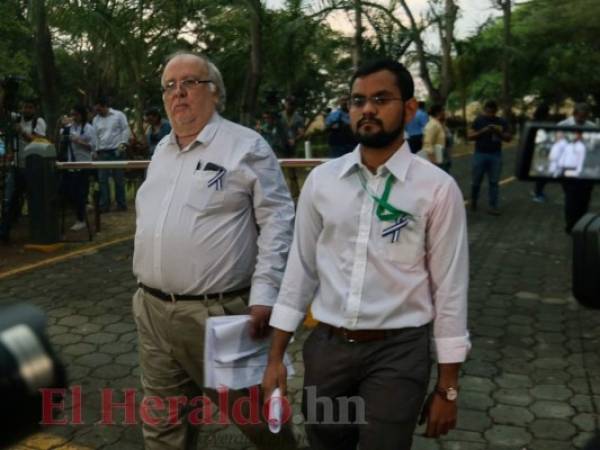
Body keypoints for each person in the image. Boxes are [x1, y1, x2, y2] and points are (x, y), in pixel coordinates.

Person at [263, 59, 470, 450]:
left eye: (381, 99)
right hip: (328, 349)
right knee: (325, 441)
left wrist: (448, 387)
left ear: (409, 109)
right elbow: (300, 270)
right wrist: (275, 357)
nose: (368, 109)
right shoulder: (322, 182)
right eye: (358, 101)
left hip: (399, 351)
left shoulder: (437, 189)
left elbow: (451, 290)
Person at [132, 51, 296, 450]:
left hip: (220, 315)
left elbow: (278, 221)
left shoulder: (245, 146)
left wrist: (266, 294)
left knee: (257, 420)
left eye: (190, 82)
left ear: (215, 92)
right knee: (163, 424)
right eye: (170, 86)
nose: (179, 93)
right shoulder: (162, 151)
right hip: (153, 311)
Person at [0, 98, 47, 242]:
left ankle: (40, 232)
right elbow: (3, 112)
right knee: (11, 200)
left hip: (33, 167)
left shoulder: (39, 122)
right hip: (18, 166)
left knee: (36, 199)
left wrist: (22, 133)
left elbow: (39, 142)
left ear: (35, 109)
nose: (27, 110)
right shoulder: (17, 118)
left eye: (30, 107)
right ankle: (5, 232)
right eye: (25, 107)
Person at [468, 100, 512, 215]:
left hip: (495, 154)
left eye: (492, 112)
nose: (490, 114)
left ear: (496, 111)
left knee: (494, 182)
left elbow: (508, 138)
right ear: (484, 110)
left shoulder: (501, 121)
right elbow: (470, 136)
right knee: (476, 181)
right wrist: (483, 131)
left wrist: (498, 132)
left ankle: (493, 206)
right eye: (488, 112)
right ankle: (473, 201)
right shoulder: (479, 120)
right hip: (480, 154)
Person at [558, 103, 596, 233]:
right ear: (574, 114)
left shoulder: (592, 127)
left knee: (585, 198)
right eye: (580, 118)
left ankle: (581, 225)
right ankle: (571, 226)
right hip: (568, 166)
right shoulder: (563, 125)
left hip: (586, 168)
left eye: (584, 118)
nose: (582, 121)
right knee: (571, 198)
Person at [59, 105, 96, 231]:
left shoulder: (89, 128)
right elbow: (62, 140)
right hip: (71, 164)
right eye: (72, 114)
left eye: (76, 114)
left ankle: (81, 219)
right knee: (71, 191)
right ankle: (82, 209)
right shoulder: (69, 128)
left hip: (84, 163)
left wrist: (77, 141)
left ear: (82, 115)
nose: (73, 117)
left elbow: (92, 147)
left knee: (81, 192)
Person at [92, 96, 130, 212]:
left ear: (105, 106)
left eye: (99, 109)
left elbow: (125, 129)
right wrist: (94, 150)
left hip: (116, 150)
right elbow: (96, 137)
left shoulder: (118, 115)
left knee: (118, 179)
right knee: (102, 179)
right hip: (102, 152)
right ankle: (104, 205)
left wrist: (124, 142)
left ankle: (121, 204)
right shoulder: (96, 120)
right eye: (96, 110)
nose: (98, 112)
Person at [531, 103, 551, 202]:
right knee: (543, 174)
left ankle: (538, 191)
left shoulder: (536, 121)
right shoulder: (542, 123)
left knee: (542, 173)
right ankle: (537, 194)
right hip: (541, 150)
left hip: (540, 149)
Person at [422, 103, 449, 170]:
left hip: (442, 158)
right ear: (438, 113)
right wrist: (434, 163)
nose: (445, 113)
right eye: (443, 111)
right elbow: (427, 144)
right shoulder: (432, 125)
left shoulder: (438, 124)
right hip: (437, 161)